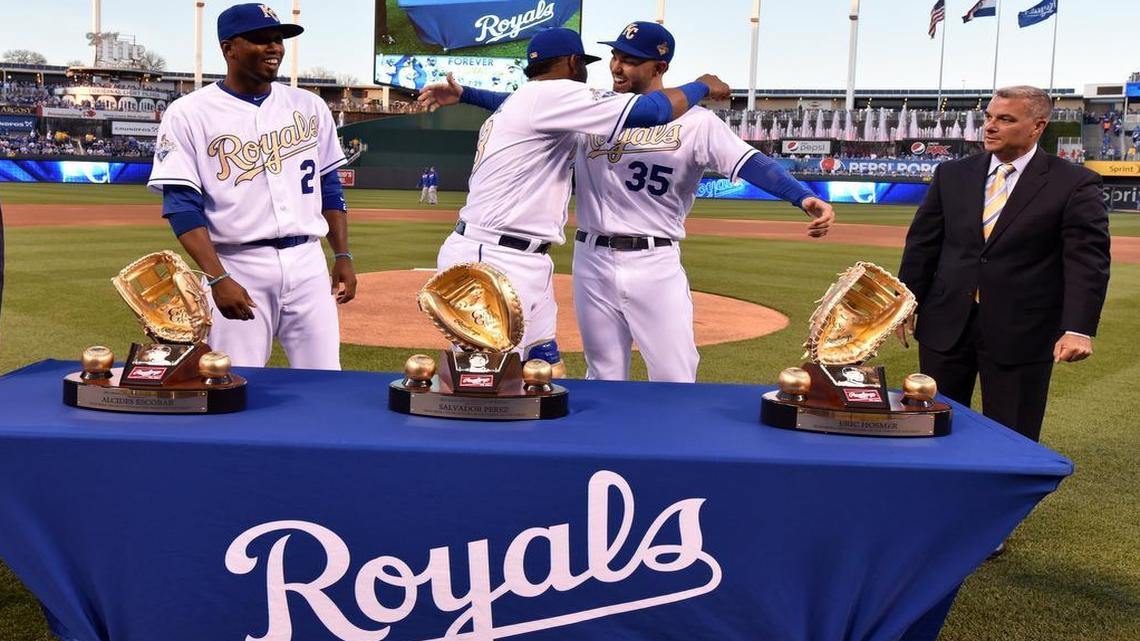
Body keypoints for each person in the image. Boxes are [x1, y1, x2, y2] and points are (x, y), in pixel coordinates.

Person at [424, 22, 833, 382]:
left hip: (654, 262)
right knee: (601, 373)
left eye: (631, 60)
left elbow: (751, 162)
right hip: (591, 259)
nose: (617, 66)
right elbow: (528, 105)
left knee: (674, 375)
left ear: (660, 68)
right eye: (615, 56)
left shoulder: (696, 122)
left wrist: (803, 196)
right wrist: (469, 94)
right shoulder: (592, 110)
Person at [147, 3, 356, 369]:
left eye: (277, 39)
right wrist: (218, 277)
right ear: (228, 48)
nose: (273, 48)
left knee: (325, 379)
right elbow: (181, 206)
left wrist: (342, 255)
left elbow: (329, 187)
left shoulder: (310, 106)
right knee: (232, 379)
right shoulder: (189, 112)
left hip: (307, 262)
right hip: (237, 263)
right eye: (260, 40)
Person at [898, 85, 1110, 444]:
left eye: (1006, 119)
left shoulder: (1073, 183)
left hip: (1023, 330)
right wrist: (905, 302)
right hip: (945, 324)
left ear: (1037, 126)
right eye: (989, 117)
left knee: (1012, 437)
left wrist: (1078, 327)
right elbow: (923, 244)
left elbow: (1087, 259)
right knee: (933, 430)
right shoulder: (953, 174)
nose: (991, 127)